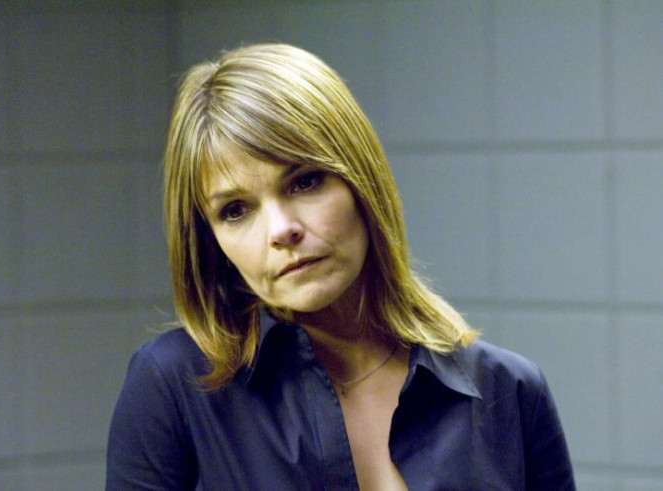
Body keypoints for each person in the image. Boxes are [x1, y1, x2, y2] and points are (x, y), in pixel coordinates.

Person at [106, 43, 575, 490]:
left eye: (305, 182)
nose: (281, 230)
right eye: (235, 210)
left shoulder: (508, 391)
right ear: (210, 241)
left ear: (362, 180)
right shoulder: (172, 385)